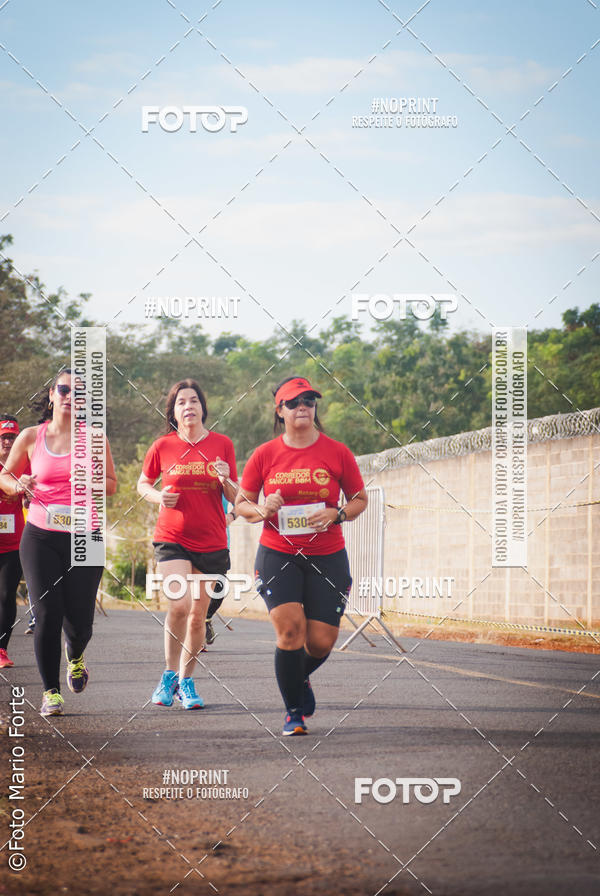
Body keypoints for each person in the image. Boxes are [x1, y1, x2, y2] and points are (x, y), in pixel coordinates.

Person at [235, 375, 368, 736]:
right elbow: (241, 505)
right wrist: (262, 508)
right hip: (279, 555)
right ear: (279, 410)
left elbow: (360, 500)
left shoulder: (337, 452)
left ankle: (297, 677)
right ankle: (293, 712)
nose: (302, 407)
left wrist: (336, 513)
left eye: (308, 401)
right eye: (293, 402)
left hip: (327, 555)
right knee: (290, 631)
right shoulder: (265, 454)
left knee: (322, 641)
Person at [0, 370, 117, 715]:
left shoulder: (96, 438)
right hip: (40, 536)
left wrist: (92, 481)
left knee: (81, 623)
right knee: (47, 612)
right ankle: (51, 691)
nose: (70, 396)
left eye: (79, 393)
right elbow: (4, 476)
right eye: (64, 389)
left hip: (86, 536)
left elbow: (111, 484)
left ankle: (76, 654)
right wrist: (18, 484)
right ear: (52, 394)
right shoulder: (30, 437)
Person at [137, 378, 237, 710]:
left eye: (194, 400)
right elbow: (143, 483)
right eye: (181, 402)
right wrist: (157, 496)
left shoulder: (222, 444)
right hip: (172, 537)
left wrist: (226, 479)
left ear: (203, 408)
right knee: (178, 607)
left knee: (198, 616)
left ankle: (186, 681)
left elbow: (237, 497)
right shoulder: (162, 446)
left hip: (210, 540)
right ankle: (168, 675)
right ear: (174, 411)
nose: (188, 406)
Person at [0, 416, 25, 668]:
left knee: (6, 595)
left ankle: (1, 649)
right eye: (3, 437)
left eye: (11, 437)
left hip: (13, 543)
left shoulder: (23, 466)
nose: (8, 442)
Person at [204, 493, 238, 646]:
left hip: (220, 543)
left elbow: (243, 501)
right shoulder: (190, 476)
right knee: (192, 588)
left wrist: (232, 515)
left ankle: (206, 617)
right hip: (191, 542)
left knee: (220, 588)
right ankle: (196, 631)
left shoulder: (224, 481)